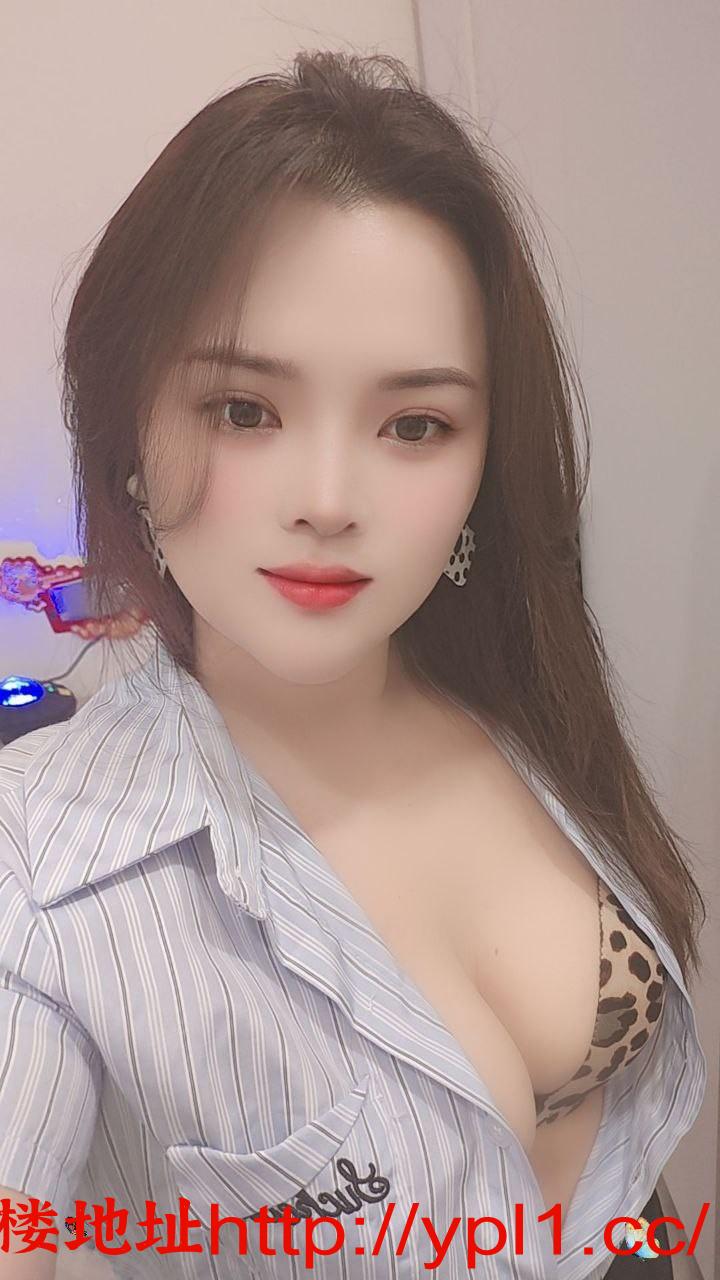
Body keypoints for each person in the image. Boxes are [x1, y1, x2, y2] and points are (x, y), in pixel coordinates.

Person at [0, 48, 707, 1280]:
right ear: (129, 433)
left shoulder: (513, 693)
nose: (329, 499)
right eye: (245, 410)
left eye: (414, 424)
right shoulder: (42, 875)